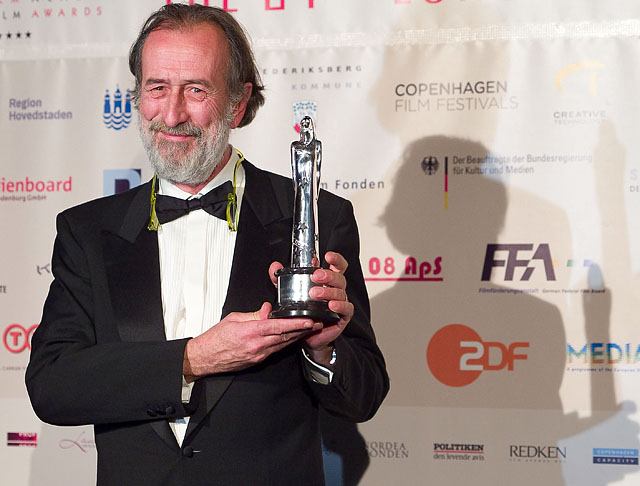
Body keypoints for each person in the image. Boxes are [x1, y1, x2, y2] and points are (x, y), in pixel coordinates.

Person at [25, 4, 388, 485]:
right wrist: (193, 358)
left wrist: (324, 350)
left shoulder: (317, 217)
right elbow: (53, 385)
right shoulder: (86, 230)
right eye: (157, 88)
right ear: (137, 96)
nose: (172, 113)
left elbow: (363, 397)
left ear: (238, 102)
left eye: (196, 89)